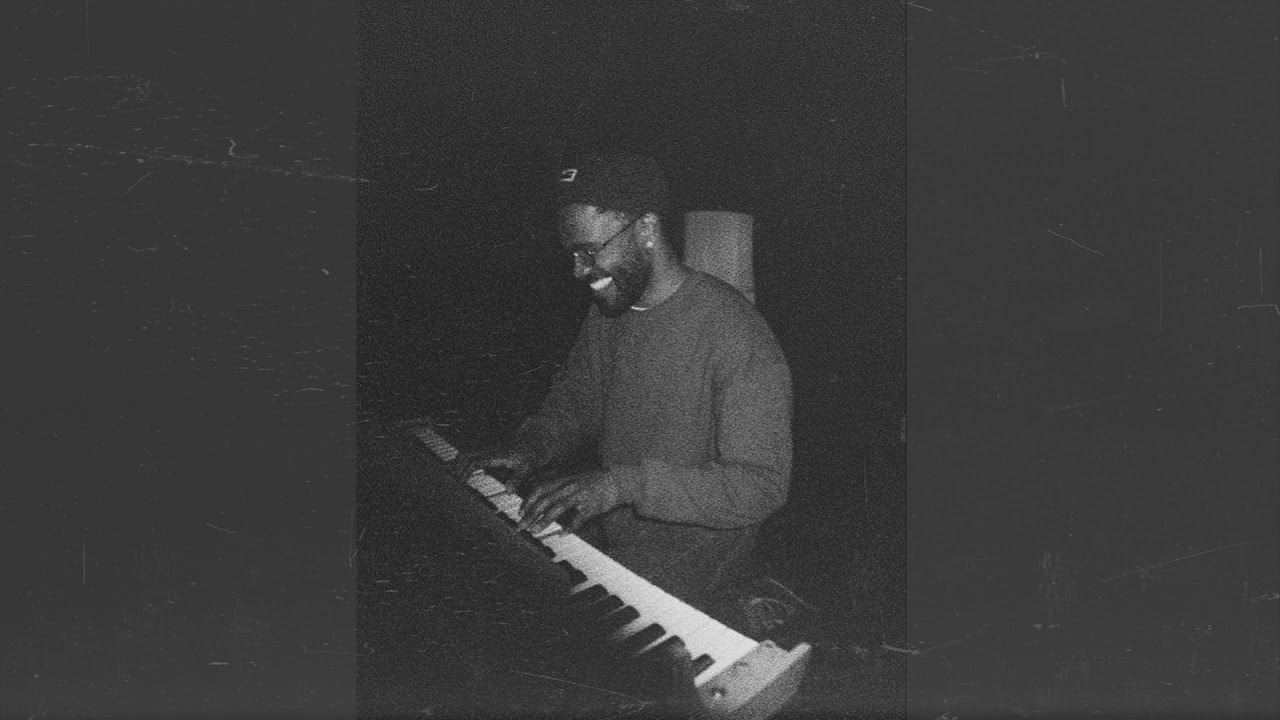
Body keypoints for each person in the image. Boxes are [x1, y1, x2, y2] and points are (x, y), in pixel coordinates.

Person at [459, 149, 794, 615]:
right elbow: (580, 399)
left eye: (589, 251)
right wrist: (534, 446)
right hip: (616, 524)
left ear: (647, 229)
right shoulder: (609, 311)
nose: (579, 272)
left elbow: (760, 486)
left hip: (699, 551)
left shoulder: (736, 334)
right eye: (572, 254)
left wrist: (620, 487)